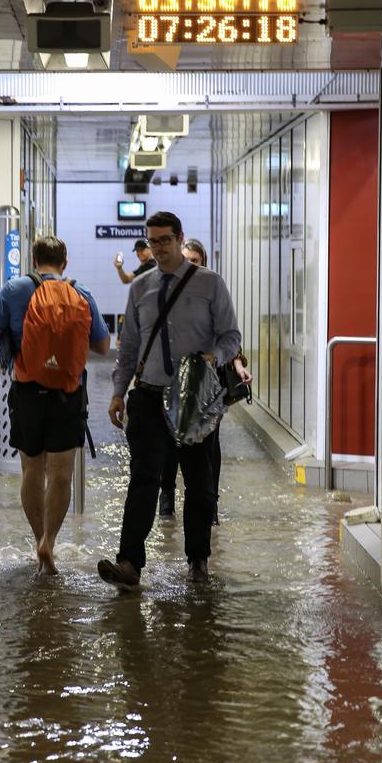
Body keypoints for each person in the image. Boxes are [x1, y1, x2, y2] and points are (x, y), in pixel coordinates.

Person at [98, 211, 251, 587]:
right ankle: (130, 563)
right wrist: (118, 393)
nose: (159, 247)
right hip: (149, 395)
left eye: (166, 240)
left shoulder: (210, 284)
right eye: (153, 241)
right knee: (143, 478)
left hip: (194, 396)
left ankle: (198, 561)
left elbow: (231, 335)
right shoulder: (140, 288)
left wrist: (213, 357)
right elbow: (129, 345)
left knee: (197, 481)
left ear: (180, 239)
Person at [0, 235, 110, 576]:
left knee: (32, 472)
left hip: (27, 392)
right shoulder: (80, 292)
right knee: (61, 474)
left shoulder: (13, 290)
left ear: (34, 260)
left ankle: (37, 536)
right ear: (64, 262)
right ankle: (50, 541)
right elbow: (101, 344)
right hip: (68, 393)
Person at [159, 237, 246, 526]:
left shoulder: (212, 291)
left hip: (208, 379)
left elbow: (230, 337)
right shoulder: (166, 292)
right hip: (173, 380)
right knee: (172, 440)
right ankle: (167, 499)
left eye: (195, 261)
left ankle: (209, 504)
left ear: (203, 263)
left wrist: (235, 364)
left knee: (210, 442)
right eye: (187, 260)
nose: (190, 266)